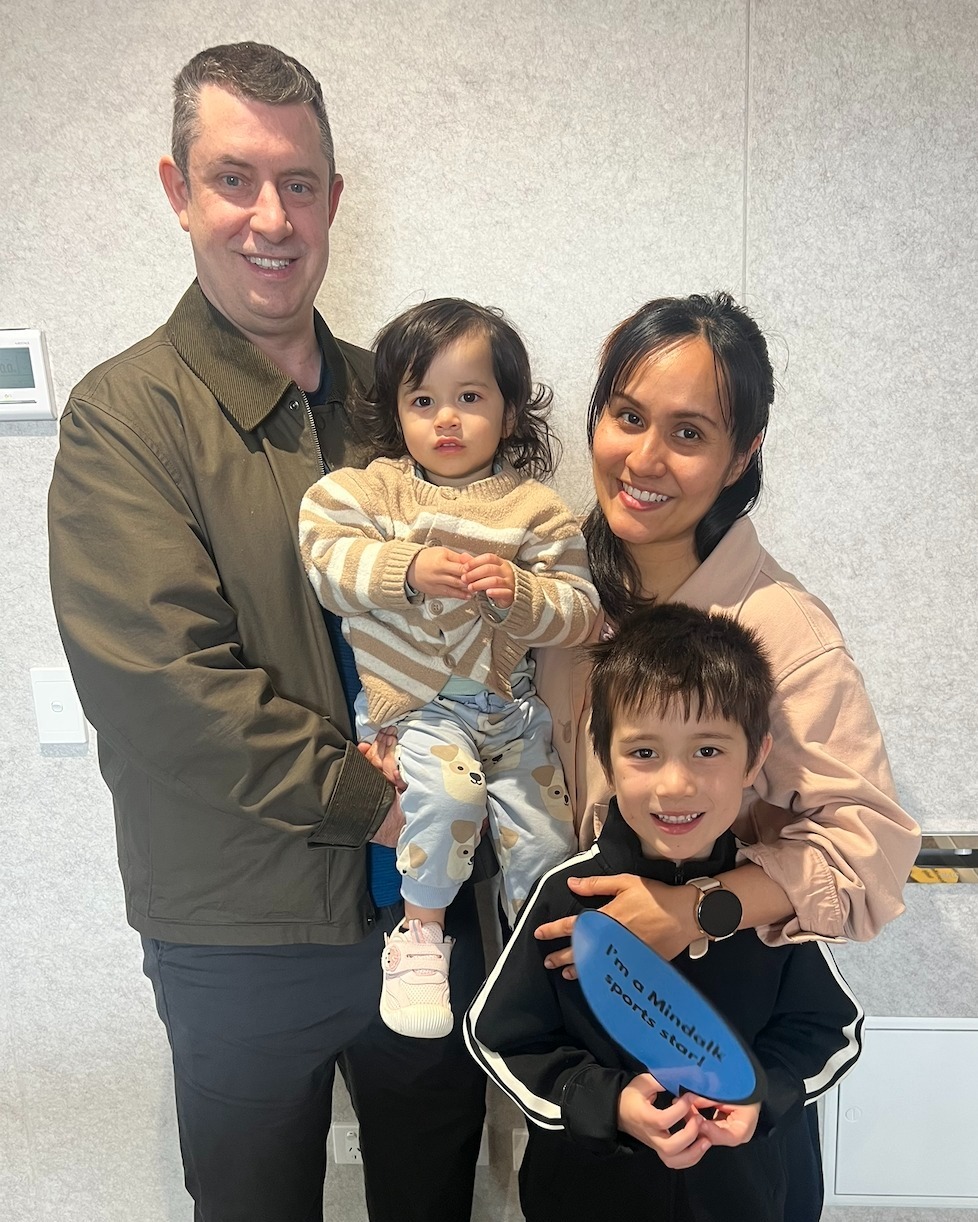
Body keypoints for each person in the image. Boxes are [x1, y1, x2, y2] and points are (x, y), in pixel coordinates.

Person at [47, 42, 486, 1222]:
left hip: (424, 913)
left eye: (298, 183)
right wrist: (370, 799)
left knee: (433, 1195)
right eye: (234, 178)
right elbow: (161, 687)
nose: (269, 217)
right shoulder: (124, 414)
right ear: (177, 190)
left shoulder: (402, 401)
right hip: (239, 936)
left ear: (335, 198)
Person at [532, 291, 920, 1219]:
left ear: (742, 456)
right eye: (627, 416)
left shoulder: (780, 628)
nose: (645, 458)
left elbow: (872, 850)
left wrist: (697, 908)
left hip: (724, 1048)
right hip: (585, 1041)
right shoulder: (555, 591)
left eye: (690, 432)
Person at [466, 602, 864, 1222]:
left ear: (755, 757)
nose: (675, 785)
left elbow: (828, 1030)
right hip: (590, 1197)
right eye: (644, 753)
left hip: (748, 1198)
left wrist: (763, 1097)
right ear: (605, 753)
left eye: (708, 751)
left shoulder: (763, 896)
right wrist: (608, 1102)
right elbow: (502, 1037)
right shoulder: (568, 895)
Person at [299, 298, 598, 1037]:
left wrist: (524, 596)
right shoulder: (367, 493)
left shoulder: (537, 513)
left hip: (512, 713)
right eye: (423, 400)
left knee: (548, 842)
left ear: (509, 410)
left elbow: (582, 610)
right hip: (418, 710)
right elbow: (327, 565)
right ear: (395, 411)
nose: (448, 420)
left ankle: (547, 966)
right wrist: (407, 568)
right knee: (448, 799)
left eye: (471, 398)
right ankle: (420, 936)